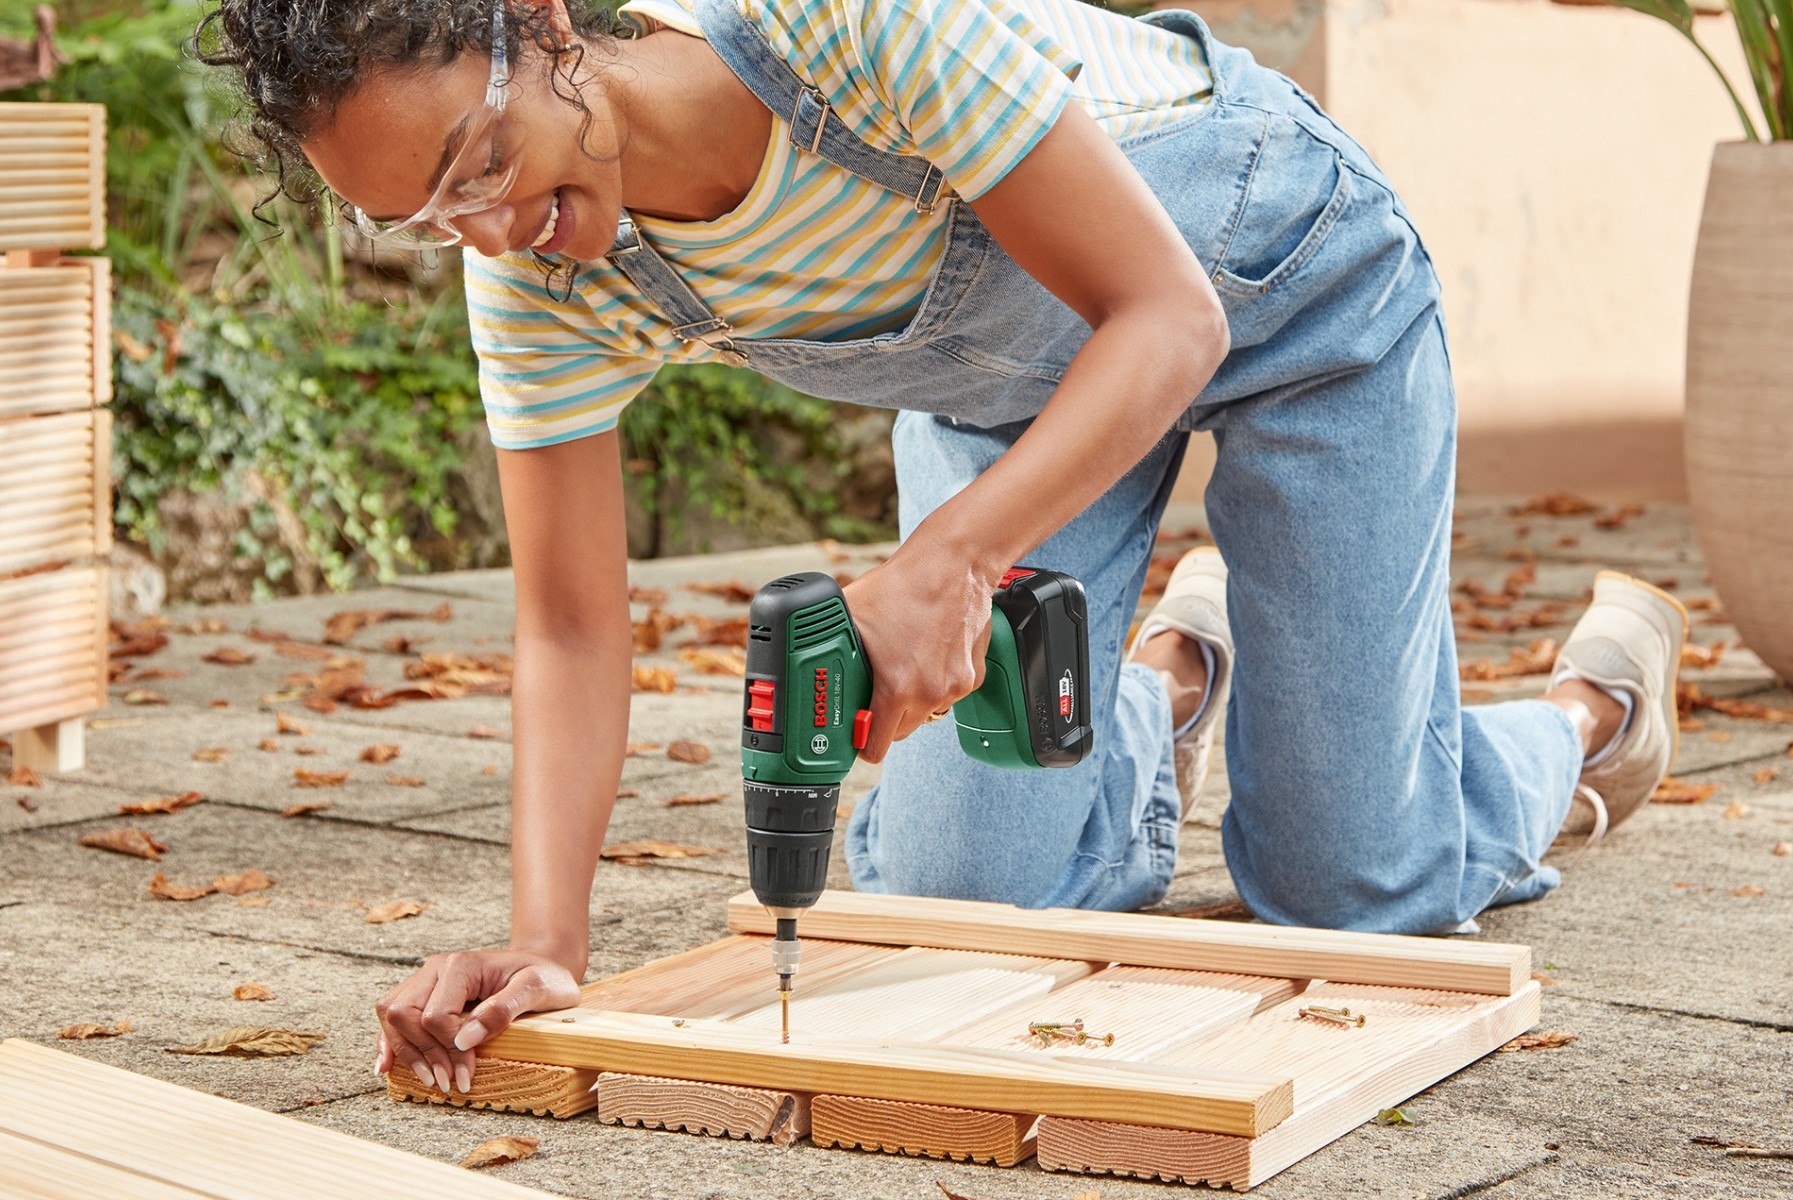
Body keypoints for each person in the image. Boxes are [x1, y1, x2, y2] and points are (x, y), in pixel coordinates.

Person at [200, 0, 1687, 1101]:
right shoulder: (541, 282)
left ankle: (1588, 714)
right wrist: (543, 943)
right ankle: (1172, 673)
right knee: (945, 894)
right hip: (1015, 401)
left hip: (1284, 303)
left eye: (479, 159)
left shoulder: (834, 23)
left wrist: (946, 562)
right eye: (419, 217)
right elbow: (571, 633)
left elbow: (1167, 318)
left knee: (1351, 887)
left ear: (544, 27)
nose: (488, 226)